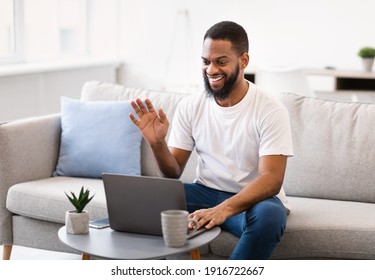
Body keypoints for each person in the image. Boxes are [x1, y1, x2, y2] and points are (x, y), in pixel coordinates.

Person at [129, 21, 293, 260]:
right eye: (206, 61)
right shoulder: (190, 106)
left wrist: (222, 210)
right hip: (204, 192)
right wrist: (157, 143)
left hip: (253, 199)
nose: (211, 70)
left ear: (243, 61)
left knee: (270, 217)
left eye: (221, 62)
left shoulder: (270, 109)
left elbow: (271, 180)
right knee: (147, 199)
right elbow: (172, 171)